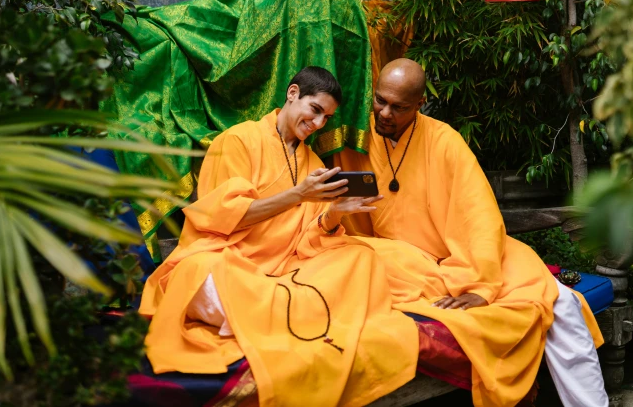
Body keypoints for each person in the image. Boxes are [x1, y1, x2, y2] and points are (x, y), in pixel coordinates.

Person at [336, 58, 609, 407]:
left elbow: (479, 216)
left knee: (563, 303)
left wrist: (480, 285)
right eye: (380, 101)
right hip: (400, 260)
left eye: (398, 107)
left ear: (420, 104)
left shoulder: (445, 142)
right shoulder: (356, 138)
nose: (385, 113)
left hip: (462, 253)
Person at [139, 66, 419, 407]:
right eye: (315, 110)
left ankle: (272, 310)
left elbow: (312, 237)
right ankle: (290, 309)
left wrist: (336, 213)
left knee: (361, 257)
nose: (317, 125)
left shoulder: (311, 161)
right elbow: (225, 219)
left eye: (326, 119)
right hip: (231, 262)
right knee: (202, 271)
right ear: (292, 94)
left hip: (284, 269)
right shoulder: (237, 141)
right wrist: (299, 195)